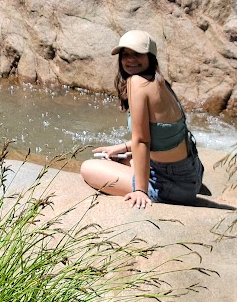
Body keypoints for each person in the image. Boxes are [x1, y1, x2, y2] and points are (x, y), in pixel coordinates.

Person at [80, 30, 205, 210]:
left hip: (171, 186)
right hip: (192, 172)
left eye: (137, 54)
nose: (131, 60)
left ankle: (146, 185)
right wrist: (123, 147)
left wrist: (141, 190)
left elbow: (142, 140)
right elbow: (163, 134)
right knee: (121, 159)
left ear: (150, 57)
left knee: (88, 167)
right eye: (126, 54)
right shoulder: (160, 81)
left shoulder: (137, 82)